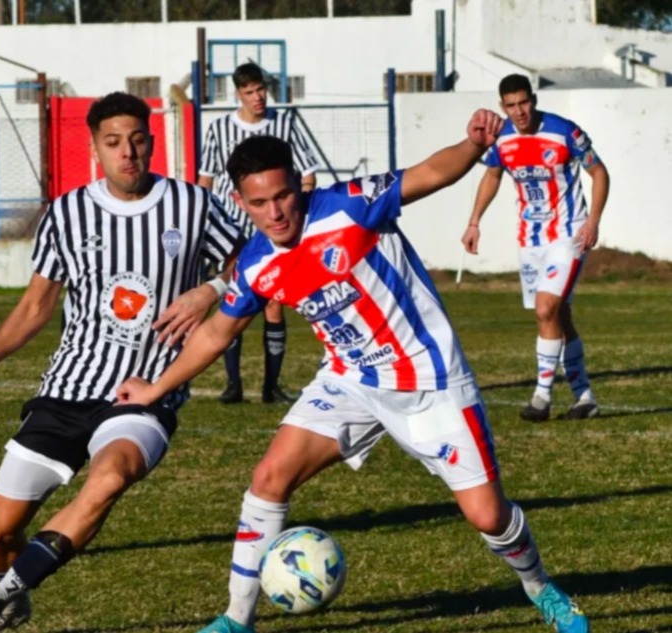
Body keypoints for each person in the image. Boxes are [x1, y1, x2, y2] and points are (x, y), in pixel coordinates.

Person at [119, 116, 590, 633]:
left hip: (429, 380)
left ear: (299, 183)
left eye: (282, 196)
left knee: (488, 516)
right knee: (269, 479)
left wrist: (473, 145)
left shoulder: (351, 204)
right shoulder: (256, 264)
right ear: (239, 201)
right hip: (350, 381)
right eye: (258, 203)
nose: (274, 213)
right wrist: (155, 389)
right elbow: (215, 334)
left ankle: (540, 587)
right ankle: (236, 620)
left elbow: (432, 172)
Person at [0, 92, 242, 632]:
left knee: (110, 476)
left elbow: (252, 262)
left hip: (144, 393)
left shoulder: (192, 205)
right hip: (68, 389)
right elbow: (35, 307)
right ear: (94, 146)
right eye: (114, 142)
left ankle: (0, 591)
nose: (129, 154)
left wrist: (210, 288)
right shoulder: (67, 213)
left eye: (138, 141)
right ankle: (14, 595)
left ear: (152, 141)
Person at [461, 74, 609, 423]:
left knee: (545, 310)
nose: (519, 111)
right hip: (530, 239)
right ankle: (584, 397)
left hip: (568, 234)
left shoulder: (564, 132)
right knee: (557, 316)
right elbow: (492, 176)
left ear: (534, 100)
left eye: (523, 102)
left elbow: (599, 172)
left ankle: (541, 397)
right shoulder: (502, 139)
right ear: (502, 107)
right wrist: (474, 221)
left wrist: (593, 221)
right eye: (510, 105)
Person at [199, 62, 320, 405]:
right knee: (233, 302)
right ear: (237, 94)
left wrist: (299, 212)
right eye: (249, 91)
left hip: (274, 231)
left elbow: (308, 173)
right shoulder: (220, 129)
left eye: (261, 89)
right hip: (231, 232)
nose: (258, 97)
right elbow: (206, 181)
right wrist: (206, 226)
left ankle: (272, 385)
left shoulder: (285, 123)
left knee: (274, 304)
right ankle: (233, 384)